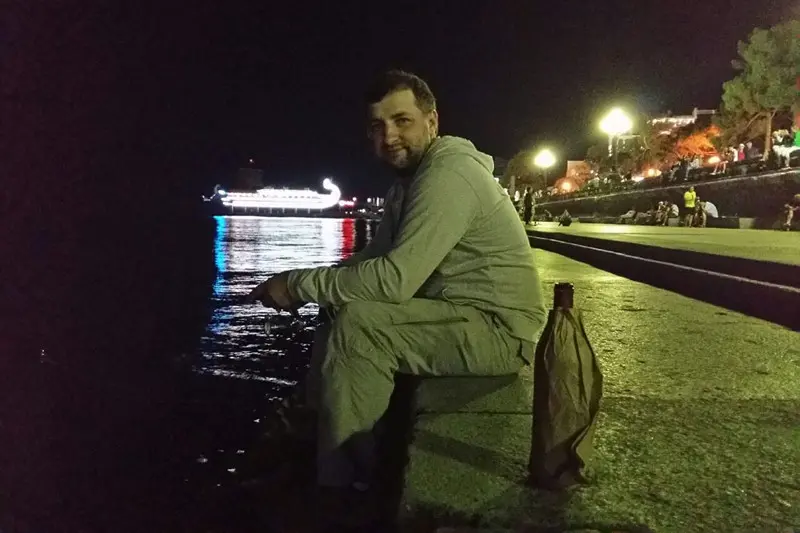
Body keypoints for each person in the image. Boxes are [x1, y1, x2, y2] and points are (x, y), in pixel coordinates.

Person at [245, 70, 546, 519]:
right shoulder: (407, 186)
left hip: (500, 331)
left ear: (432, 121)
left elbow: (394, 280)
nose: (388, 137)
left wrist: (297, 285)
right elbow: (372, 261)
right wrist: (307, 282)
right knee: (339, 305)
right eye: (376, 126)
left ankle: (344, 488)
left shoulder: (449, 175)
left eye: (402, 121)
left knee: (360, 327)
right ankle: (316, 432)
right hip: (458, 314)